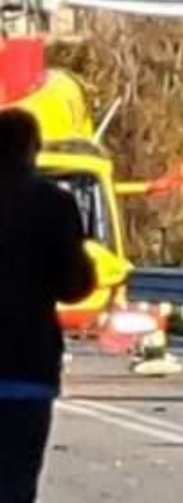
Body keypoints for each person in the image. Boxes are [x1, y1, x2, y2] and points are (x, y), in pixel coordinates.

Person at [0, 109, 96, 503]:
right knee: (16, 483)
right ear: (31, 150)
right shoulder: (53, 204)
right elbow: (74, 286)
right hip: (27, 365)